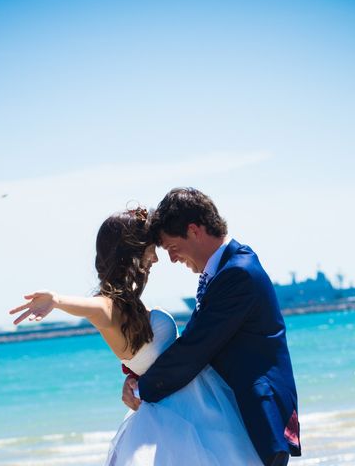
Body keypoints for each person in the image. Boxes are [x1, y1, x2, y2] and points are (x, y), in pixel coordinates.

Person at [9, 207, 263, 465]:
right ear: (130, 251)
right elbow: (96, 309)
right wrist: (57, 300)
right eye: (151, 249)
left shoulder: (129, 305)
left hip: (196, 403)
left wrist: (135, 376)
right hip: (176, 414)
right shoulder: (110, 308)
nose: (156, 259)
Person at [122, 188, 301, 466]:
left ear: (194, 230)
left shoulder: (237, 273)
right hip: (234, 413)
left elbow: (197, 347)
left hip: (256, 412)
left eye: (172, 248)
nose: (172, 259)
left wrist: (143, 389)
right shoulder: (227, 267)